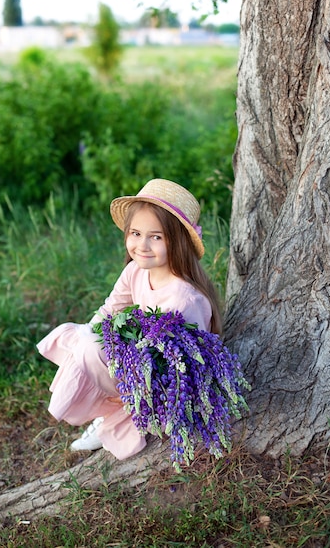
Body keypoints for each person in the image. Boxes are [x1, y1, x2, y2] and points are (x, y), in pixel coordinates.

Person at [37, 178, 222, 460]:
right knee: (81, 337)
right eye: (135, 233)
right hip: (140, 361)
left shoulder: (185, 300)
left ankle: (138, 412)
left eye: (156, 237)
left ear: (179, 241)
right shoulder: (135, 271)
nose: (142, 245)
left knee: (91, 347)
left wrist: (101, 352)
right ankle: (115, 407)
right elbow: (110, 309)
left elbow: (183, 363)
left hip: (168, 380)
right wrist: (92, 338)